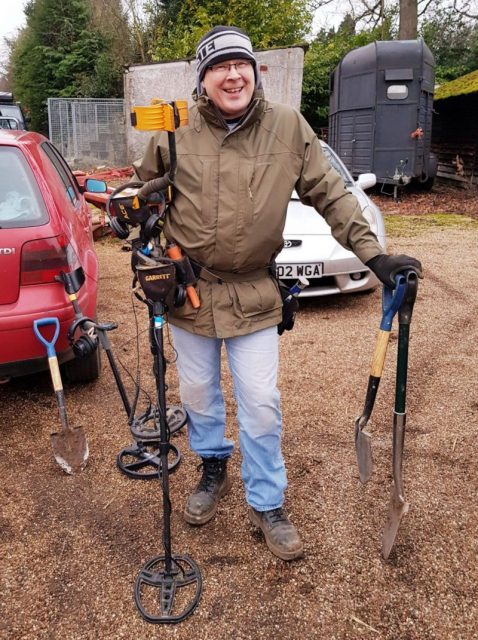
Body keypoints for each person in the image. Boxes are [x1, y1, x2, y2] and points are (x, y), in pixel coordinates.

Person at [133, 26, 422, 561]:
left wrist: (374, 256)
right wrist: (141, 231)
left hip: (254, 293)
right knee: (197, 395)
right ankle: (213, 465)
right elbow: (144, 193)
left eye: (241, 63)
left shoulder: (288, 127)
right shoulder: (173, 129)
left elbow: (333, 195)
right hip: (187, 292)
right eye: (219, 66)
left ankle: (267, 501)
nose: (233, 74)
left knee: (261, 404)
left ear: (255, 71)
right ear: (203, 79)